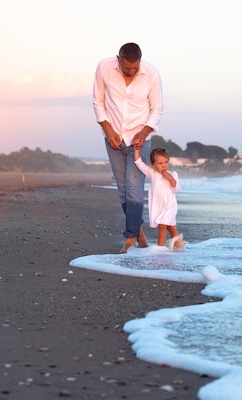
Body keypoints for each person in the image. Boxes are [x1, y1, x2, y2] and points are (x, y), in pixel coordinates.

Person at [93, 42, 163, 253]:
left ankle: (130, 238)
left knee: (134, 191)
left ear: (139, 62)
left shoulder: (151, 74)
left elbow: (157, 108)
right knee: (123, 191)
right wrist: (107, 130)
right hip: (113, 137)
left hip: (139, 141)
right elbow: (98, 101)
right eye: (126, 69)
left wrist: (143, 133)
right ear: (118, 59)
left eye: (134, 69)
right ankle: (138, 232)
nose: (131, 72)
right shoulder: (104, 67)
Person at [133, 146, 184, 249]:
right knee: (171, 228)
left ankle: (160, 249)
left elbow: (177, 189)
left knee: (162, 225)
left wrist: (170, 179)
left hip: (170, 205)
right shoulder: (152, 173)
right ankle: (180, 246)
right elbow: (139, 163)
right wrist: (136, 149)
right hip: (159, 206)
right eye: (160, 163)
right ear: (153, 165)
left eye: (165, 162)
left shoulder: (172, 174)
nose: (163, 166)